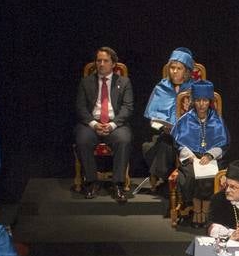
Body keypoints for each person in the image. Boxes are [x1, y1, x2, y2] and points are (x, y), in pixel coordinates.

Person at [74, 46, 134, 202]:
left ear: (113, 63)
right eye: (98, 60)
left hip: (115, 125)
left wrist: (112, 125)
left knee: (124, 139)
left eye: (105, 61)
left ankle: (118, 185)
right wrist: (94, 124)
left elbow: (128, 108)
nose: (101, 64)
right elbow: (80, 108)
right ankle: (92, 182)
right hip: (91, 124)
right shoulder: (86, 82)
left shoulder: (124, 82)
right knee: (82, 140)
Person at [171, 80, 228, 224]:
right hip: (191, 158)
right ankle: (196, 211)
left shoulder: (217, 120)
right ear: (193, 101)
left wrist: (210, 155)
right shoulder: (185, 120)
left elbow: (224, 143)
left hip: (212, 159)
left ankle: (206, 212)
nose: (202, 104)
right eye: (198, 100)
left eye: (205, 100)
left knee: (210, 175)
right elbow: (178, 142)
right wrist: (189, 156)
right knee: (190, 175)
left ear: (210, 102)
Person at [140, 47, 195, 189]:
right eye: (172, 68)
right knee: (165, 141)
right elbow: (153, 118)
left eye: (179, 68)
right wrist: (162, 126)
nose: (174, 71)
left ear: (187, 71)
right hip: (167, 133)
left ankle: (163, 178)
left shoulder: (194, 88)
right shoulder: (161, 87)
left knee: (164, 144)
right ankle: (168, 180)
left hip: (190, 135)